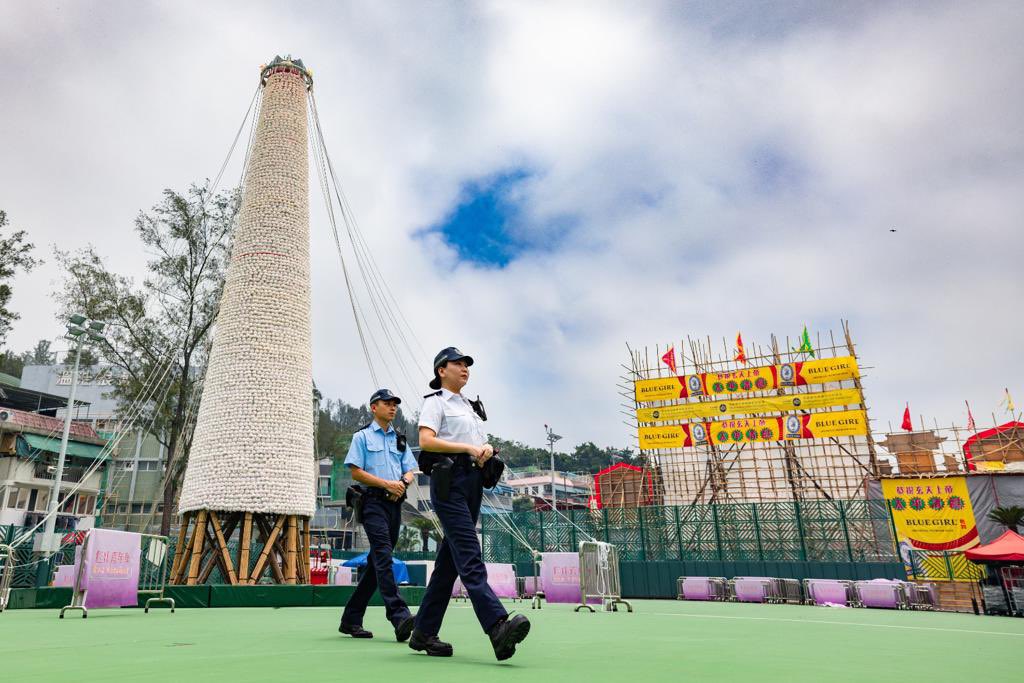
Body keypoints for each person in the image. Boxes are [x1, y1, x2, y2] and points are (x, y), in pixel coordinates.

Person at [408, 347, 530, 661]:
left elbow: (475, 444)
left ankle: (423, 631)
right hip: (449, 482)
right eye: (458, 364)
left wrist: (485, 448)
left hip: (473, 481)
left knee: (448, 565)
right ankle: (497, 626)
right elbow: (426, 440)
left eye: (467, 364)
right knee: (469, 553)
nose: (465, 368)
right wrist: (467, 448)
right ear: (441, 370)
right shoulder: (436, 402)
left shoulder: (469, 406)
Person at [338, 388, 418, 642]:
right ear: (374, 407)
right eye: (387, 403)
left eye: (395, 404)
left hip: (395, 504)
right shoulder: (361, 437)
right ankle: (399, 615)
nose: (393, 407)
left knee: (376, 564)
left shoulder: (400, 439)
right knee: (383, 555)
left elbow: (410, 470)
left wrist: (402, 484)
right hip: (372, 503)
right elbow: (356, 472)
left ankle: (351, 619)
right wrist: (387, 484)